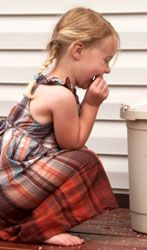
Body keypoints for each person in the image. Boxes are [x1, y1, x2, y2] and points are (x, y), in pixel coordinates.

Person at [0, 7, 119, 246]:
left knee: (72, 159)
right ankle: (40, 229)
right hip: (8, 193)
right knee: (86, 161)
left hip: (7, 189)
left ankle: (27, 222)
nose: (107, 69)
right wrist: (92, 104)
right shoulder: (61, 96)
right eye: (105, 60)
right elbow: (73, 143)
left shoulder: (46, 82)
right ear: (78, 50)